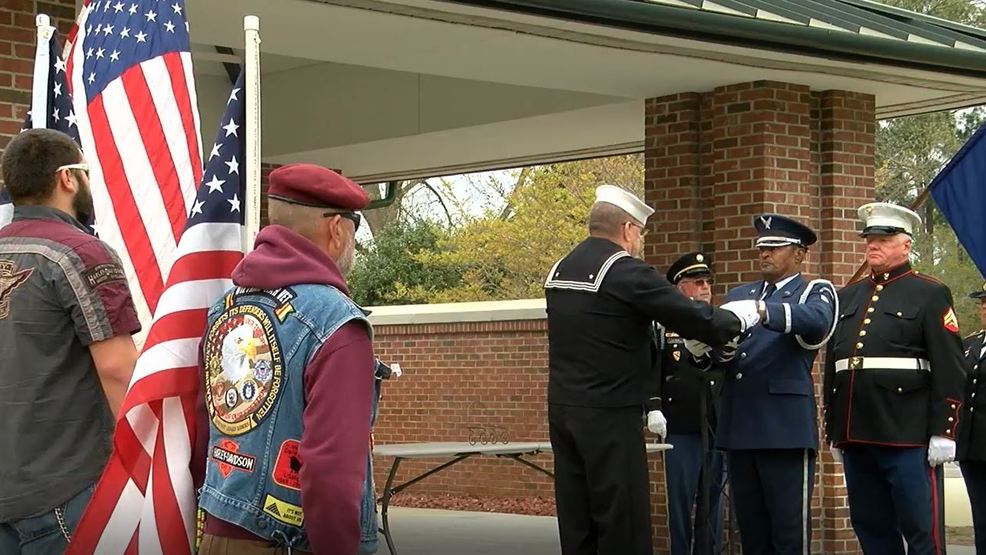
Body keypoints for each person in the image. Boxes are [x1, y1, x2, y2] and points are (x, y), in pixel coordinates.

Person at [543, 185, 761, 555]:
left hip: (564, 408)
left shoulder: (560, 267)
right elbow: (686, 312)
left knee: (577, 516)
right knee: (621, 518)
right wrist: (737, 320)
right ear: (628, 229)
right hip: (611, 412)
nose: (640, 241)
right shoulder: (623, 270)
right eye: (640, 232)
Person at [194, 163, 374, 554]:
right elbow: (331, 469)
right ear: (337, 230)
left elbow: (203, 423)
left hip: (218, 529)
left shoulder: (225, 307)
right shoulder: (338, 324)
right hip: (288, 542)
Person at [0, 129, 140, 553]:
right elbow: (118, 369)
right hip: (65, 490)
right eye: (85, 172)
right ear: (67, 178)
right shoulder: (82, 252)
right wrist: (145, 465)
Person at [823, 202, 965, 555]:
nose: (873, 244)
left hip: (906, 433)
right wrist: (834, 429)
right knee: (870, 526)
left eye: (884, 238)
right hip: (857, 432)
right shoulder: (848, 296)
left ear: (906, 244)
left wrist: (944, 430)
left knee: (920, 529)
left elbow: (949, 364)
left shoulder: (929, 293)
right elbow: (835, 366)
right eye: (869, 238)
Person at [714, 214, 837, 555]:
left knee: (788, 532)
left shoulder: (813, 290)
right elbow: (724, 355)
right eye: (761, 248)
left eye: (774, 247)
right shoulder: (741, 293)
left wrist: (764, 311)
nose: (764, 254)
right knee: (751, 532)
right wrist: (712, 345)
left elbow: (817, 321)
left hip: (783, 429)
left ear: (799, 254)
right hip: (741, 425)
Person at [651, 252, 726, 555]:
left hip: (716, 424)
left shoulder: (721, 323)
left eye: (708, 282)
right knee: (680, 504)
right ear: (679, 286)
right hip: (680, 426)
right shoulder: (662, 325)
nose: (705, 287)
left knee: (713, 503)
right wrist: (653, 406)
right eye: (697, 282)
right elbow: (652, 368)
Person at [958, 282, 986, 554]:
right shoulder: (970, 344)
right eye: (983, 304)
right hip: (972, 446)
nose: (985, 309)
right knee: (981, 517)